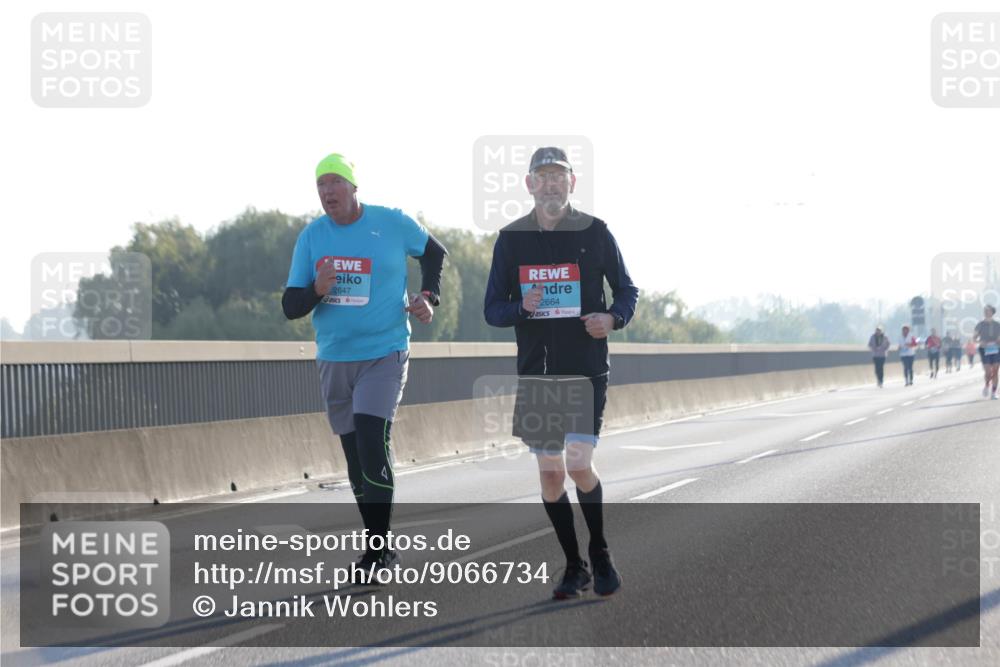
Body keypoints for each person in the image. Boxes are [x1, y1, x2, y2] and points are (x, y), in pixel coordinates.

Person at [282, 153, 447, 578]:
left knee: (374, 441)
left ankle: (378, 552)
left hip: (385, 351)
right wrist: (317, 290)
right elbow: (290, 305)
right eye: (321, 185)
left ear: (354, 187)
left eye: (335, 183)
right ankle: (378, 544)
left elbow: (434, 253)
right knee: (355, 459)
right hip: (335, 358)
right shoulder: (312, 238)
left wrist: (428, 297)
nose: (327, 192)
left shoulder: (391, 223)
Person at [484, 147, 638, 599]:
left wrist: (613, 319)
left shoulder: (596, 231)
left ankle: (602, 550)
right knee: (551, 475)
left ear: (572, 183)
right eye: (542, 176)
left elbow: (627, 289)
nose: (551, 184)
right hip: (538, 372)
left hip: (586, 368)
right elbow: (492, 309)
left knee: (577, 464)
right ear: (529, 184)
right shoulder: (511, 240)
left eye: (559, 176)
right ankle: (575, 566)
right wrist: (520, 308)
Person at [973, 305, 1000, 400]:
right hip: (984, 349)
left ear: (992, 312)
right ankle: (987, 385)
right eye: (985, 311)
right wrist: (980, 342)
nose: (986, 312)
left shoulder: (997, 324)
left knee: (996, 371)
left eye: (988, 311)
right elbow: (974, 338)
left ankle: (993, 392)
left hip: (996, 349)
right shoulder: (980, 324)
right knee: (988, 371)